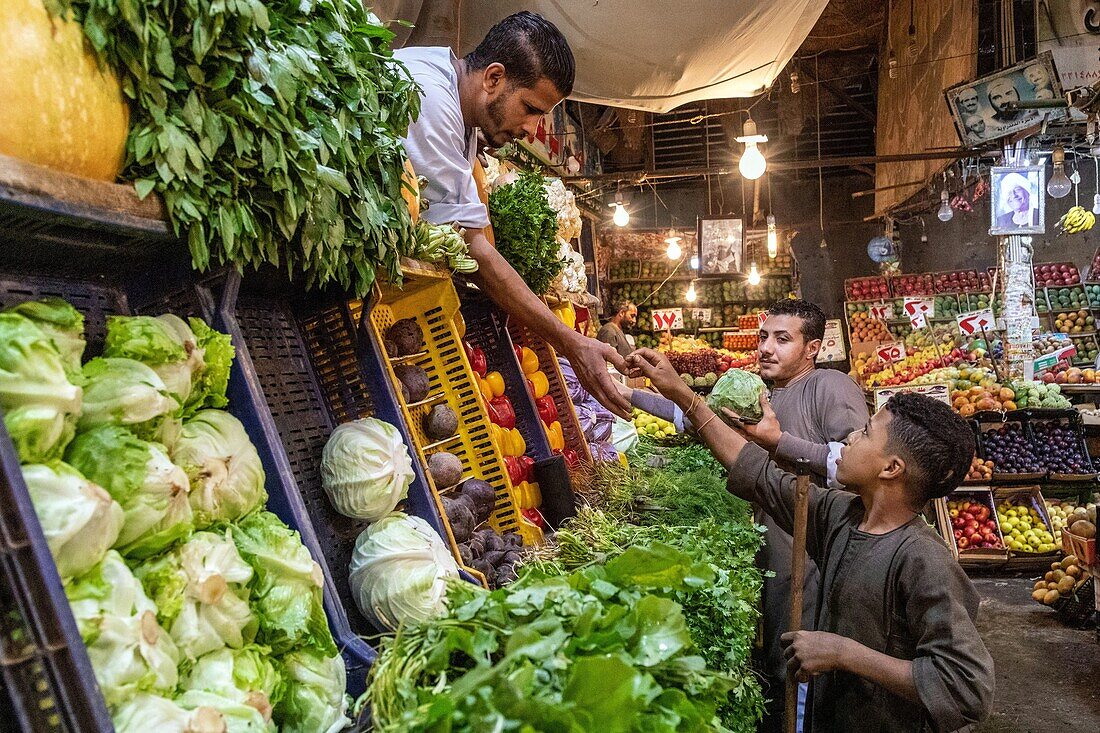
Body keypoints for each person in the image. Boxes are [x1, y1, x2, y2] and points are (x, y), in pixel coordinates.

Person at [626, 349, 996, 732]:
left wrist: (843, 652)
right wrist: (683, 396)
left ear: (891, 468)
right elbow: (756, 472)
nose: (851, 436)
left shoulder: (924, 560)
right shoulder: (843, 515)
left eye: (867, 432)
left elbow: (966, 689)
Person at [394, 12, 630, 418]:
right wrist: (571, 342)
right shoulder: (432, 100)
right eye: (532, 109)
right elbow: (475, 252)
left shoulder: (460, 109)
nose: (533, 129)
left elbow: (478, 234)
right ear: (494, 78)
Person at [727, 299, 869, 733]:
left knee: (801, 686)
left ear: (813, 348)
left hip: (810, 568)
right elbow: (703, 424)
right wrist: (631, 393)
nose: (766, 348)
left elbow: (856, 463)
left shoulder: (831, 386)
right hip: (776, 563)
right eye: (763, 337)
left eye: (782, 339)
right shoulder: (766, 393)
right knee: (778, 673)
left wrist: (780, 441)